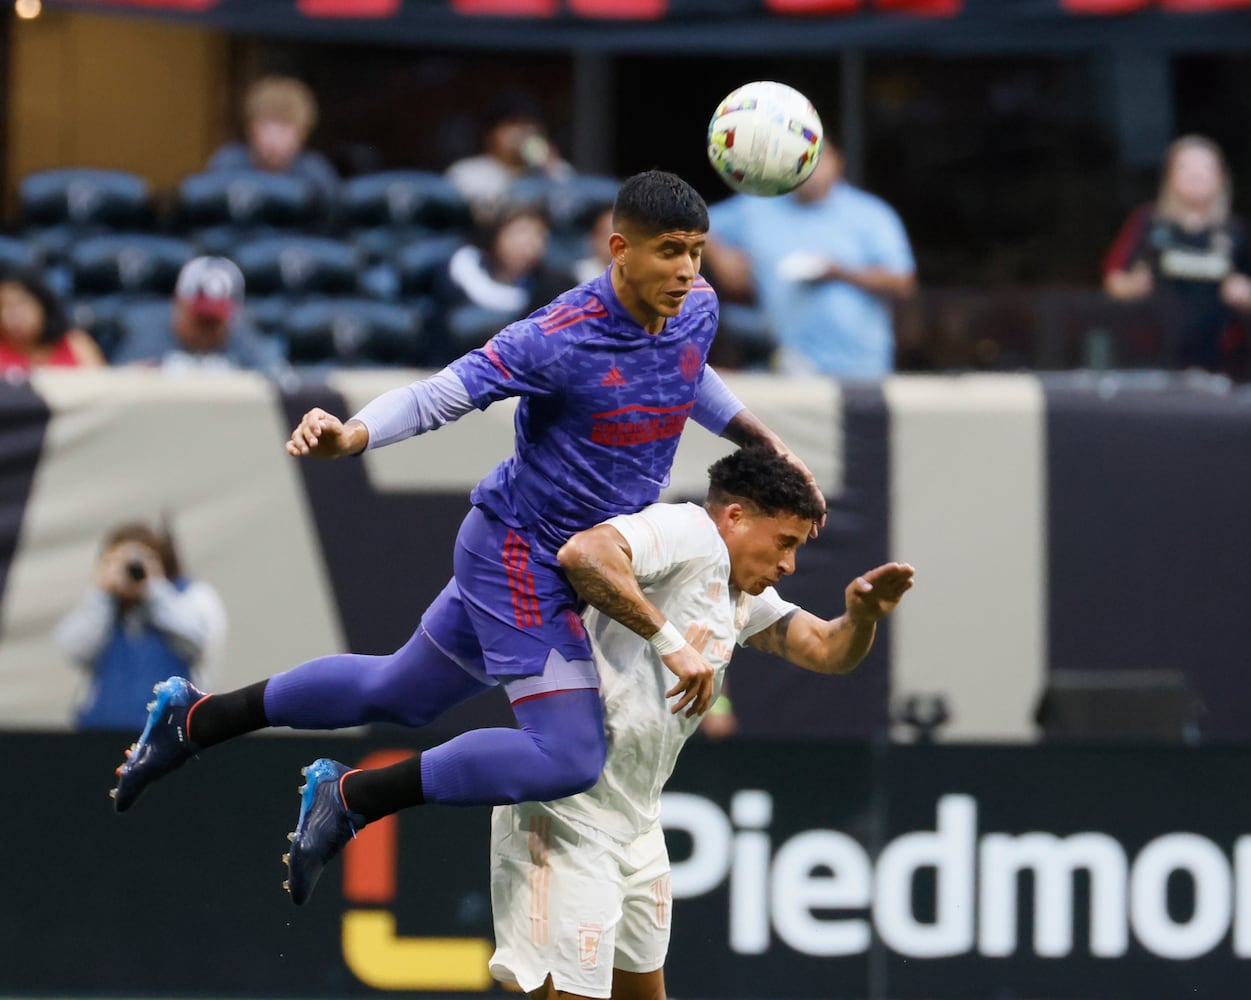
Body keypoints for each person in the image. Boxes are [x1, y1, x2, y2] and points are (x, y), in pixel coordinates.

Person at [108, 170, 824, 907]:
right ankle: (355, 797)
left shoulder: (695, 308)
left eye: (698, 252)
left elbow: (687, 373)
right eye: (670, 250)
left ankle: (198, 716)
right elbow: (437, 395)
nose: (687, 270)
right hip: (524, 556)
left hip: (583, 561)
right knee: (569, 754)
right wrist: (351, 434)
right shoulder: (555, 337)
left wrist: (761, 440)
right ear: (618, 248)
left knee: (402, 692)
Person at [490, 446, 913, 1000]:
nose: (788, 564)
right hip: (569, 813)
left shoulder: (735, 590)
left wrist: (860, 618)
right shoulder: (687, 531)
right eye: (784, 541)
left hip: (635, 824)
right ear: (734, 517)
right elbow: (584, 553)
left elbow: (826, 650)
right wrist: (671, 643)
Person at [704, 142, 916, 377]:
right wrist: (721, 257)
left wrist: (840, 273)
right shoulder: (757, 208)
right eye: (797, 158)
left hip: (861, 367)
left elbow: (903, 281)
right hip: (791, 363)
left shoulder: (871, 214)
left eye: (817, 159)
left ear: (838, 162)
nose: (809, 169)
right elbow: (695, 222)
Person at [1102, 135, 1251, 372]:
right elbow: (1113, 280)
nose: (1195, 175)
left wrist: (1248, 295)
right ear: (1170, 176)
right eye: (1185, 167)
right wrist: (1130, 285)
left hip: (1222, 358)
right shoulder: (1148, 222)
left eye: (1204, 168)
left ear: (1220, 177)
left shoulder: (1235, 231)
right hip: (1154, 355)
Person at [54, 521, 225, 732]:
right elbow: (75, 649)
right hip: (100, 731)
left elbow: (197, 642)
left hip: (171, 733)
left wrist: (153, 590)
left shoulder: (190, 597)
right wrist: (103, 595)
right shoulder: (104, 607)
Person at [111, 257, 284, 378]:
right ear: (178, 303)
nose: (205, 332)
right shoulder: (147, 337)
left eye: (213, 323)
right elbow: (114, 383)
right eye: (200, 321)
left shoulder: (246, 343)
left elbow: (281, 382)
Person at [207, 76, 341, 209]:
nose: (273, 138)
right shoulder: (227, 164)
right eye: (266, 126)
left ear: (303, 133)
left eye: (283, 128)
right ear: (250, 129)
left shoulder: (316, 174)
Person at [446, 89, 573, 228]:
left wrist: (552, 170)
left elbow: (569, 214)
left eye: (529, 125)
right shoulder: (467, 172)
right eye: (513, 124)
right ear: (490, 134)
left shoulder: (552, 170)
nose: (522, 133)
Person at [440, 203, 575, 322]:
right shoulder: (462, 271)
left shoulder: (556, 286)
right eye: (521, 232)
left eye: (539, 234)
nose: (531, 243)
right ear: (496, 236)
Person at [0, 270, 104, 377]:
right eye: (2, 308)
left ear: (42, 303)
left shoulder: (75, 343)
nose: (12, 316)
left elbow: (100, 386)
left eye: (19, 305)